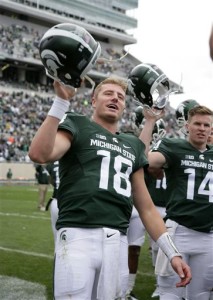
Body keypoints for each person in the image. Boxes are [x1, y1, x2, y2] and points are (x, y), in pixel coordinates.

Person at [29, 76, 191, 299]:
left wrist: (172, 253)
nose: (115, 98)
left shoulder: (131, 144)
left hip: (117, 240)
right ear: (93, 101)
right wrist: (61, 101)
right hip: (78, 234)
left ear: (124, 106)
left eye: (121, 97)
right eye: (108, 93)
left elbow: (146, 208)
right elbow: (39, 154)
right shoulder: (77, 124)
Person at [140, 105, 213, 300]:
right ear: (187, 126)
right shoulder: (173, 146)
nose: (201, 128)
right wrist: (149, 122)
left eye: (206, 125)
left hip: (208, 235)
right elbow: (144, 160)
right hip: (178, 231)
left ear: (211, 129)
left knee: (201, 295)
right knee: (170, 294)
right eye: (197, 123)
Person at [46, 160, 59, 244]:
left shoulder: (51, 164)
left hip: (55, 200)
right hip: (70, 201)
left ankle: (57, 256)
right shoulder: (72, 159)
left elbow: (50, 180)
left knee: (56, 237)